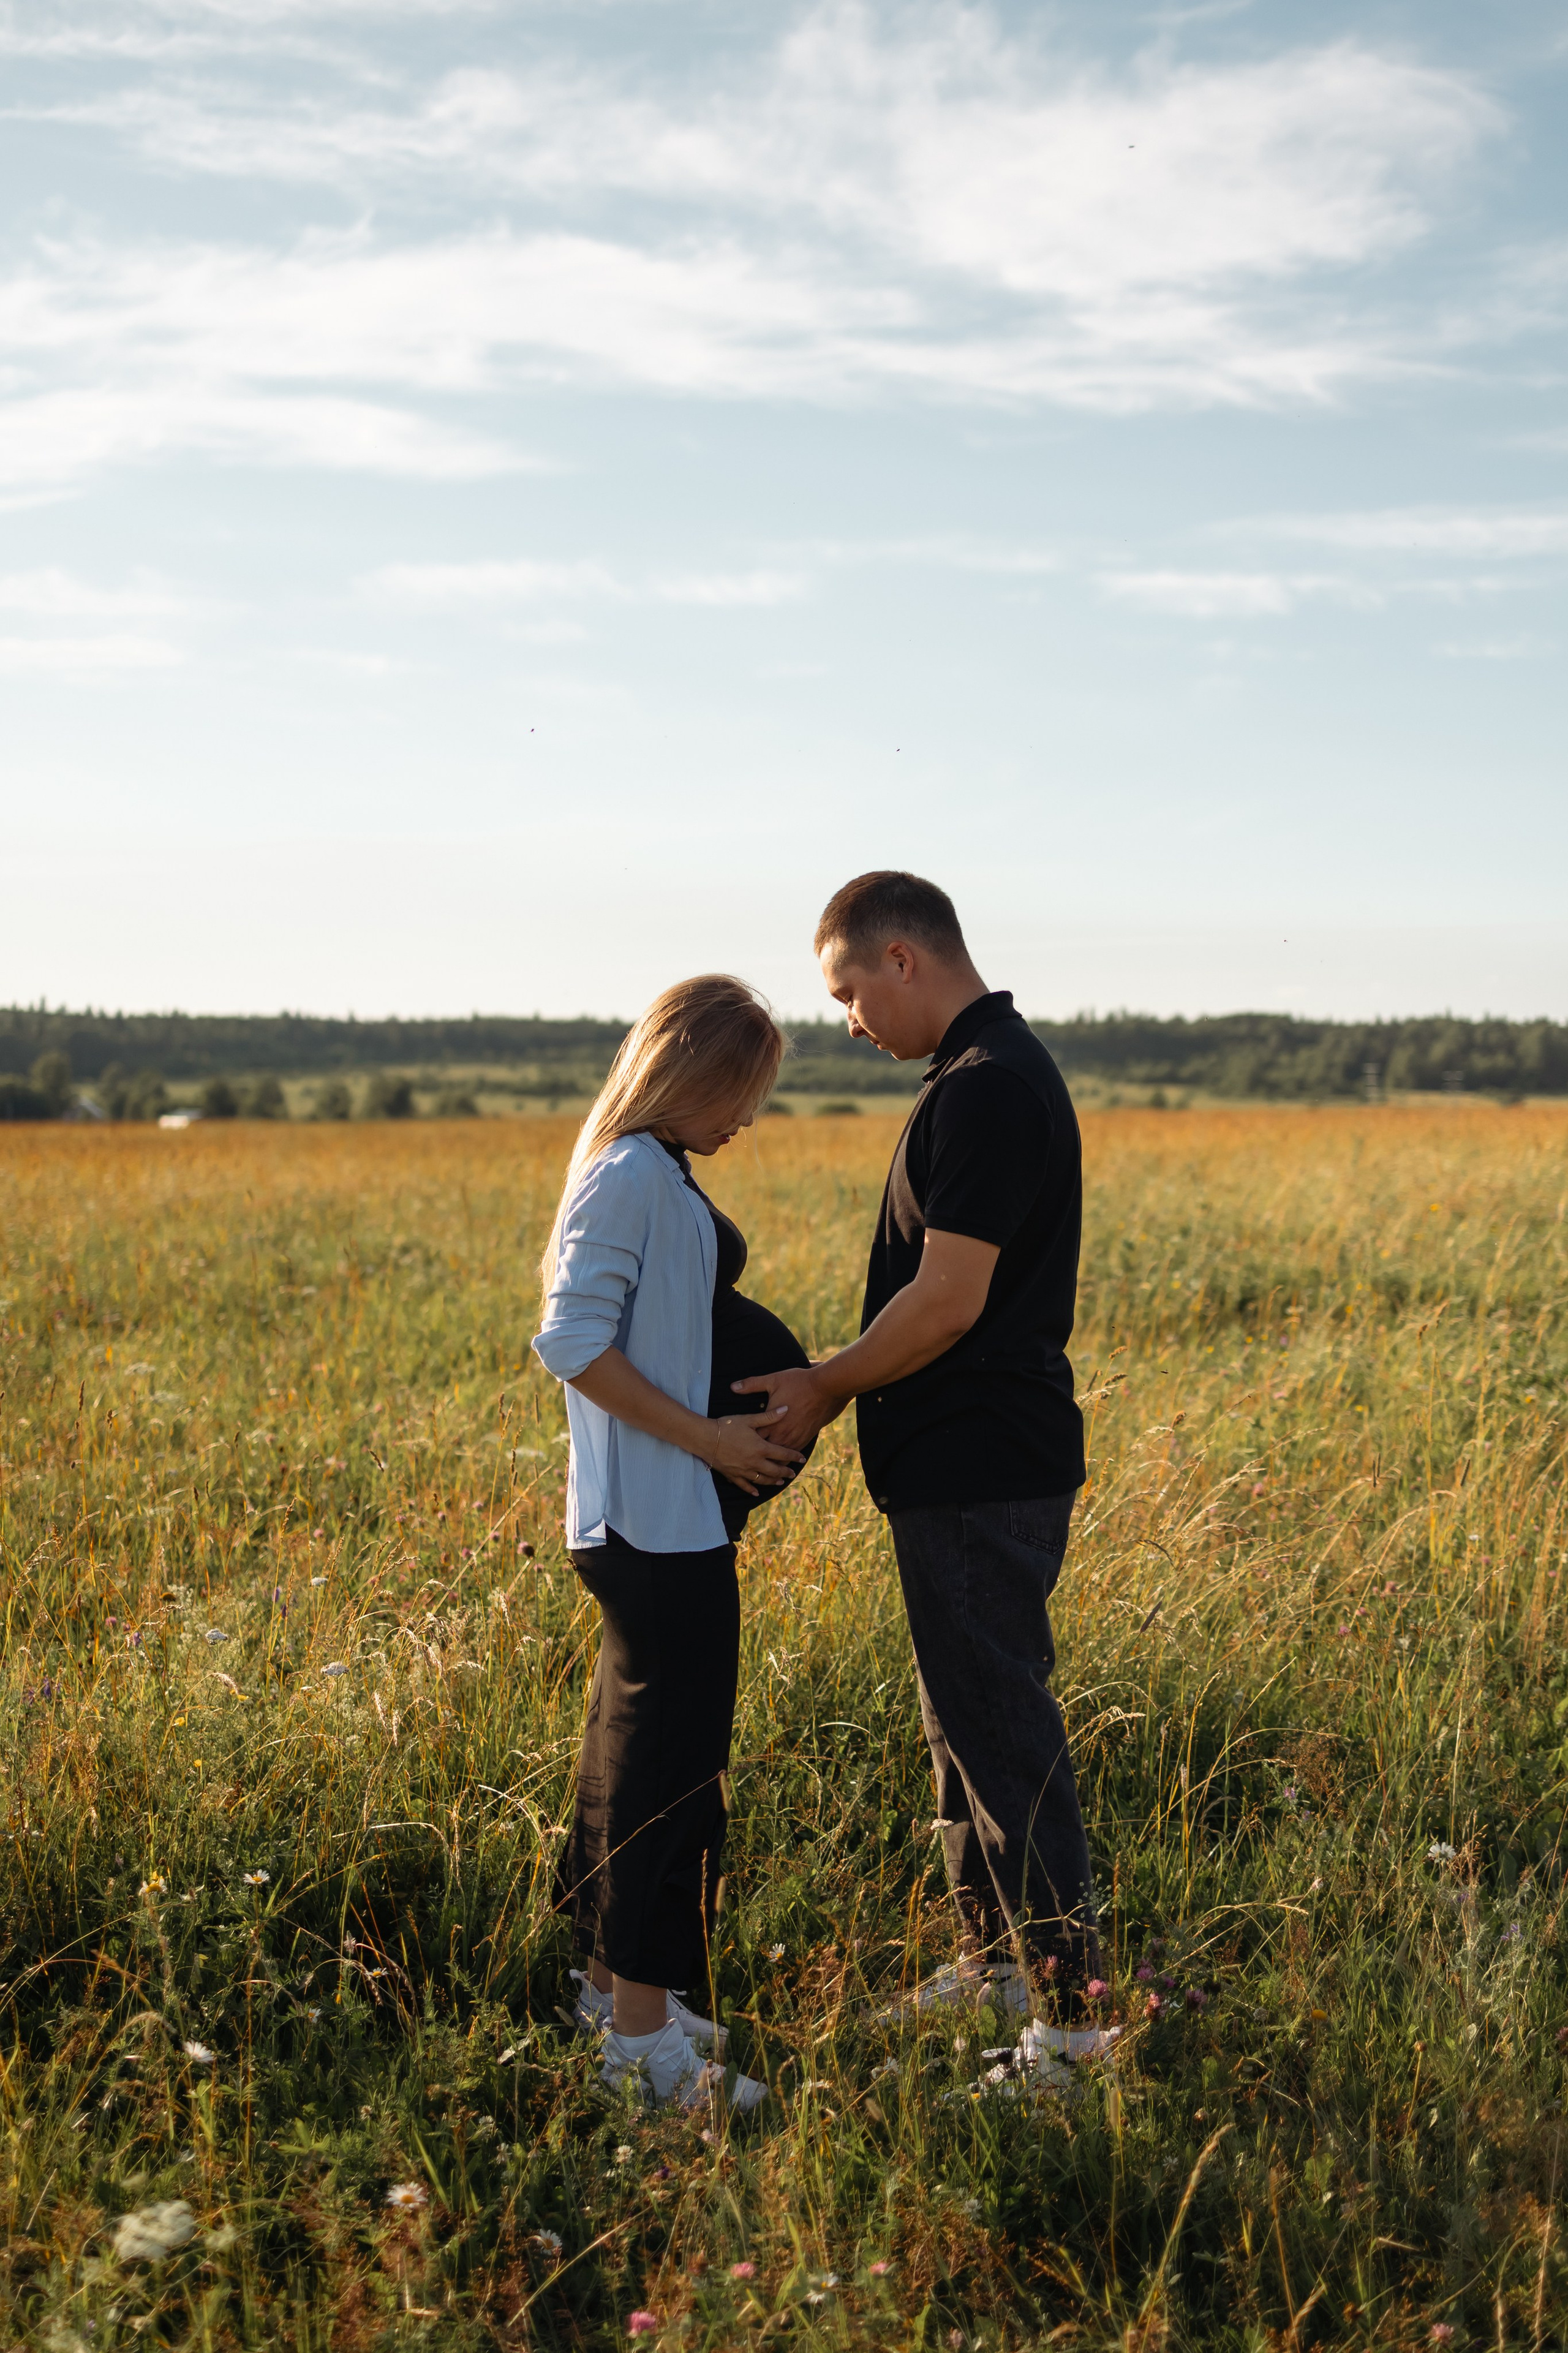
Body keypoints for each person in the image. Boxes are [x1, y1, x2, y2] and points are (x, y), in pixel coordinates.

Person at [732, 872, 1115, 2070]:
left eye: (847, 990)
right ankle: (997, 1970)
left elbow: (947, 1301)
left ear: (904, 958)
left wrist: (823, 1381)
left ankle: (1073, 2023)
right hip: (956, 1464)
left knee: (1000, 1733)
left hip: (981, 1464)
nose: (846, 1019)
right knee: (960, 1726)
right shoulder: (970, 1077)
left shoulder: (989, 1088)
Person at [532, 974, 812, 2110]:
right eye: (741, 1090)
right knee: (669, 1778)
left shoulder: (650, 1168)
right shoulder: (630, 1172)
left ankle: (612, 1988)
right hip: (654, 1519)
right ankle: (640, 2046)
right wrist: (711, 1441)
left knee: (628, 1753)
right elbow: (570, 1342)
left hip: (664, 1518)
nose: (748, 1117)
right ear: (692, 1071)